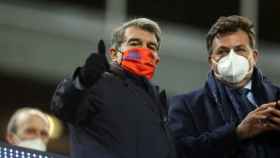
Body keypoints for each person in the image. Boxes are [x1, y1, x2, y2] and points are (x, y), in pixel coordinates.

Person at [51, 18, 176, 158]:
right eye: (135, 43)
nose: (144, 50)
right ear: (114, 54)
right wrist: (82, 81)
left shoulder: (159, 103)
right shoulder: (97, 83)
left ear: (157, 59)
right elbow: (64, 107)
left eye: (151, 47)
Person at [168, 15, 280, 158]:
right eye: (222, 51)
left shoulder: (276, 97)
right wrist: (236, 134)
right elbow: (178, 152)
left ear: (254, 56)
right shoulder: (187, 106)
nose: (232, 58)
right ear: (211, 61)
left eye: (240, 50)